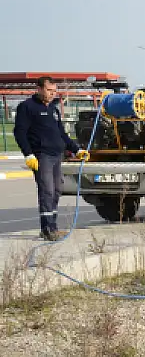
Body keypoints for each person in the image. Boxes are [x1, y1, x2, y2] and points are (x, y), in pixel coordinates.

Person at [13, 76, 88, 240]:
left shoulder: (53, 109)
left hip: (56, 155)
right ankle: (48, 229)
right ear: (39, 89)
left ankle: (52, 226)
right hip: (42, 155)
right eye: (49, 90)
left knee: (56, 190)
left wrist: (76, 149)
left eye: (54, 91)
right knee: (46, 191)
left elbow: (61, 134)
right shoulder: (27, 107)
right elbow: (19, 132)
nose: (52, 94)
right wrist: (28, 154)